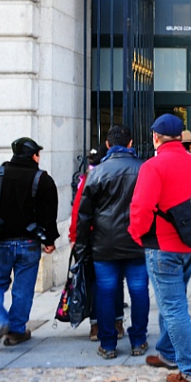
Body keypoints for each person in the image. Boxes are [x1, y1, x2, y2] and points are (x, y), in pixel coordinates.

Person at [129, 114, 191, 382]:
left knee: (173, 307)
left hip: (163, 247)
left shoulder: (153, 166)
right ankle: (167, 352)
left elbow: (141, 207)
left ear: (155, 137)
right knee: (174, 301)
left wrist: (137, 235)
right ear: (181, 137)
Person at [0, 137, 58, 348]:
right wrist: (49, 240)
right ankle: (16, 331)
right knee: (23, 289)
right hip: (29, 243)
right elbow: (50, 215)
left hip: (0, 242)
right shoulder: (43, 180)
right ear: (34, 156)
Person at [75, 125, 148, 359]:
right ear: (130, 143)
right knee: (139, 291)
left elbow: (84, 216)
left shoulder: (96, 173)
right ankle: (138, 340)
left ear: (108, 145)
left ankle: (108, 344)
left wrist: (81, 247)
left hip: (104, 243)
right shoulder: (144, 169)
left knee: (105, 292)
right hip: (136, 241)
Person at [69, 144, 124, 342]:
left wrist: (75, 237)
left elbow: (78, 210)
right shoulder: (119, 174)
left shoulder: (90, 178)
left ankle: (96, 324)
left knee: (95, 282)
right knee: (116, 281)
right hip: (119, 235)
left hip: (94, 236)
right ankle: (117, 322)